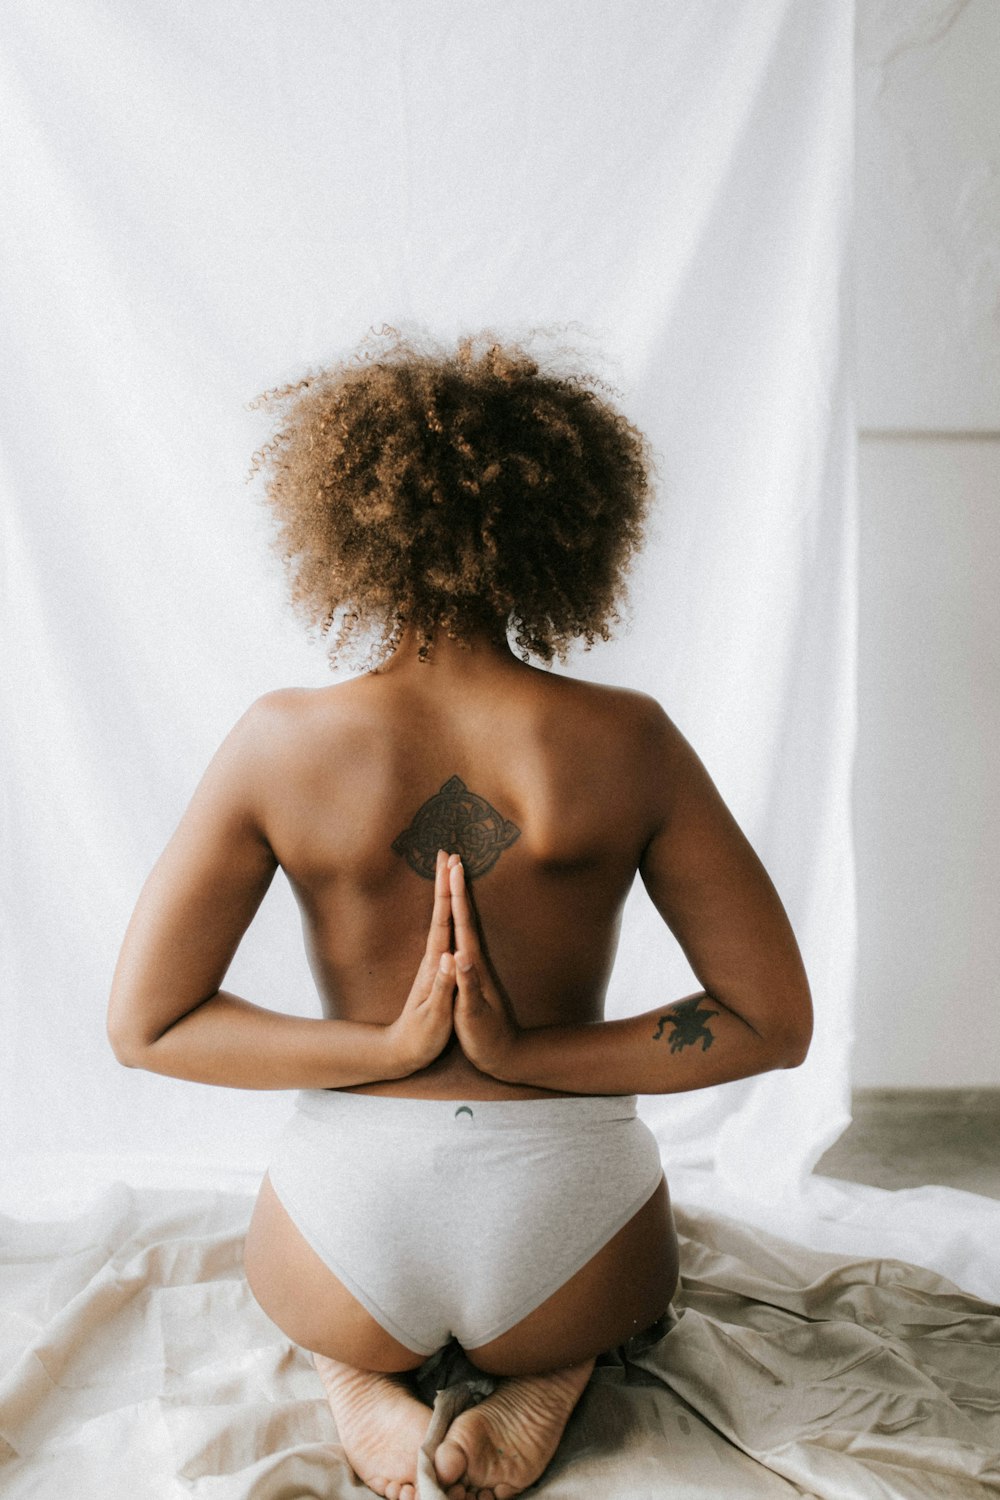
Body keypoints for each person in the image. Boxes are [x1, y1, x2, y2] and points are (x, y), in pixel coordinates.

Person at [107, 329, 813, 1500]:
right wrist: (528, 1055)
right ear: (574, 524)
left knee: (324, 1301)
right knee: (586, 1308)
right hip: (567, 1230)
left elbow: (148, 1024)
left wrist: (381, 1051)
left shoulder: (282, 742)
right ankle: (554, 1371)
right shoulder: (623, 739)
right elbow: (767, 1021)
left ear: (344, 524)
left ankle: (355, 1380)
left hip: (348, 1227)